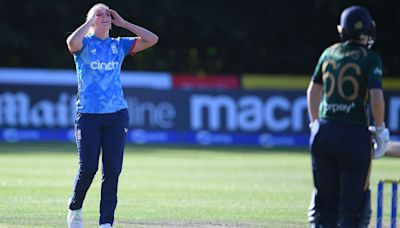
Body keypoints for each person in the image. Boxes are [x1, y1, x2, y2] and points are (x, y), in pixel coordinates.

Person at [66, 3, 158, 228]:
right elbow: (71, 43)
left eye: (107, 13)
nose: (105, 16)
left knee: (112, 170)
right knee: (88, 168)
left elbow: (152, 39)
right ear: (91, 20)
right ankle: (75, 206)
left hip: (116, 115)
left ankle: (106, 222)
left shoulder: (119, 45)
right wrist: (89, 22)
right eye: (100, 14)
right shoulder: (84, 44)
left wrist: (124, 24)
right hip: (88, 115)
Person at [306, 5, 389, 227]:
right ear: (369, 30)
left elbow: (312, 91)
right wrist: (380, 129)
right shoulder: (370, 59)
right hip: (353, 135)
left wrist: (315, 123)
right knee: (351, 210)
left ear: (341, 30)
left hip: (324, 134)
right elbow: (376, 98)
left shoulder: (329, 53)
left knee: (325, 210)